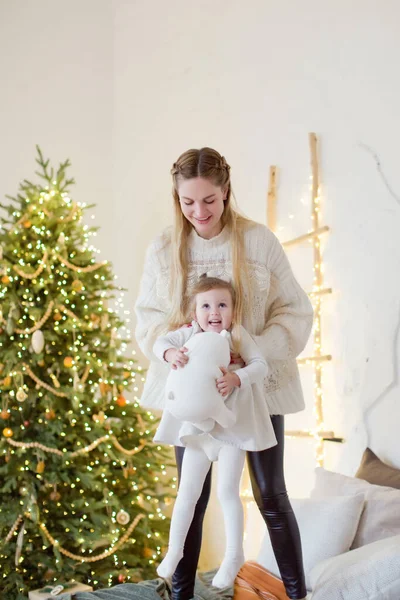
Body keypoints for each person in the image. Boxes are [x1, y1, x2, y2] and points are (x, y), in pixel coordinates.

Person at [135, 147, 313, 600]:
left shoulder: (258, 242)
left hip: (254, 388)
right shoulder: (163, 247)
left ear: (227, 191)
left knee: (271, 494)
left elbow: (293, 312)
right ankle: (181, 594)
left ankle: (298, 593)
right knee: (191, 496)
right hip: (194, 394)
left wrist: (247, 356)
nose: (199, 212)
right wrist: (173, 352)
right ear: (176, 198)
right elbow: (148, 319)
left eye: (209, 201)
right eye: (187, 202)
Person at [153, 276, 277, 589]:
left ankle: (234, 554)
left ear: (233, 310)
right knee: (188, 492)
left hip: (231, 428)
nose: (214, 312)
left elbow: (261, 365)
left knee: (227, 492)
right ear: (194, 313)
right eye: (206, 305)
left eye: (222, 304)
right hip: (198, 430)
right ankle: (174, 550)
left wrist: (238, 378)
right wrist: (171, 355)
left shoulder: (237, 336)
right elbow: (160, 344)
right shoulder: (189, 334)